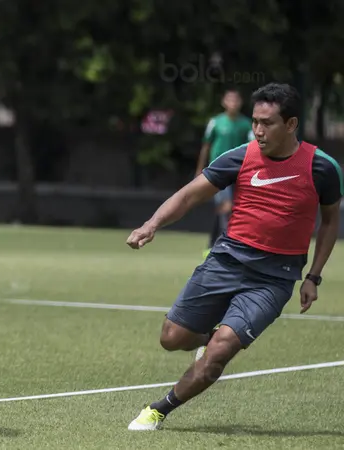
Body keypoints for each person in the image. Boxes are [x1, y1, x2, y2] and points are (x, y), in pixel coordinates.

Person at [126, 83, 342, 431]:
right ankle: (209, 338)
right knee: (172, 338)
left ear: (291, 124)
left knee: (220, 352)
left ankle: (158, 409)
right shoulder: (240, 156)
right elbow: (187, 196)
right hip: (225, 261)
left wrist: (313, 277)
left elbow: (331, 221)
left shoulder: (322, 168)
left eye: (267, 123)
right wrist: (152, 224)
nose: (258, 130)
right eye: (255, 121)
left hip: (274, 278)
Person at [195, 89, 255, 257]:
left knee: (227, 208)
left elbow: (252, 148)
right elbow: (206, 145)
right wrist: (200, 169)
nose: (233, 103)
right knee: (226, 206)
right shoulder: (215, 122)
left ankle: (212, 244)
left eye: (236, 100)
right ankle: (224, 246)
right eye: (230, 100)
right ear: (224, 102)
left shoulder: (245, 124)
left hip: (239, 172)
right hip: (217, 171)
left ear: (240, 103)